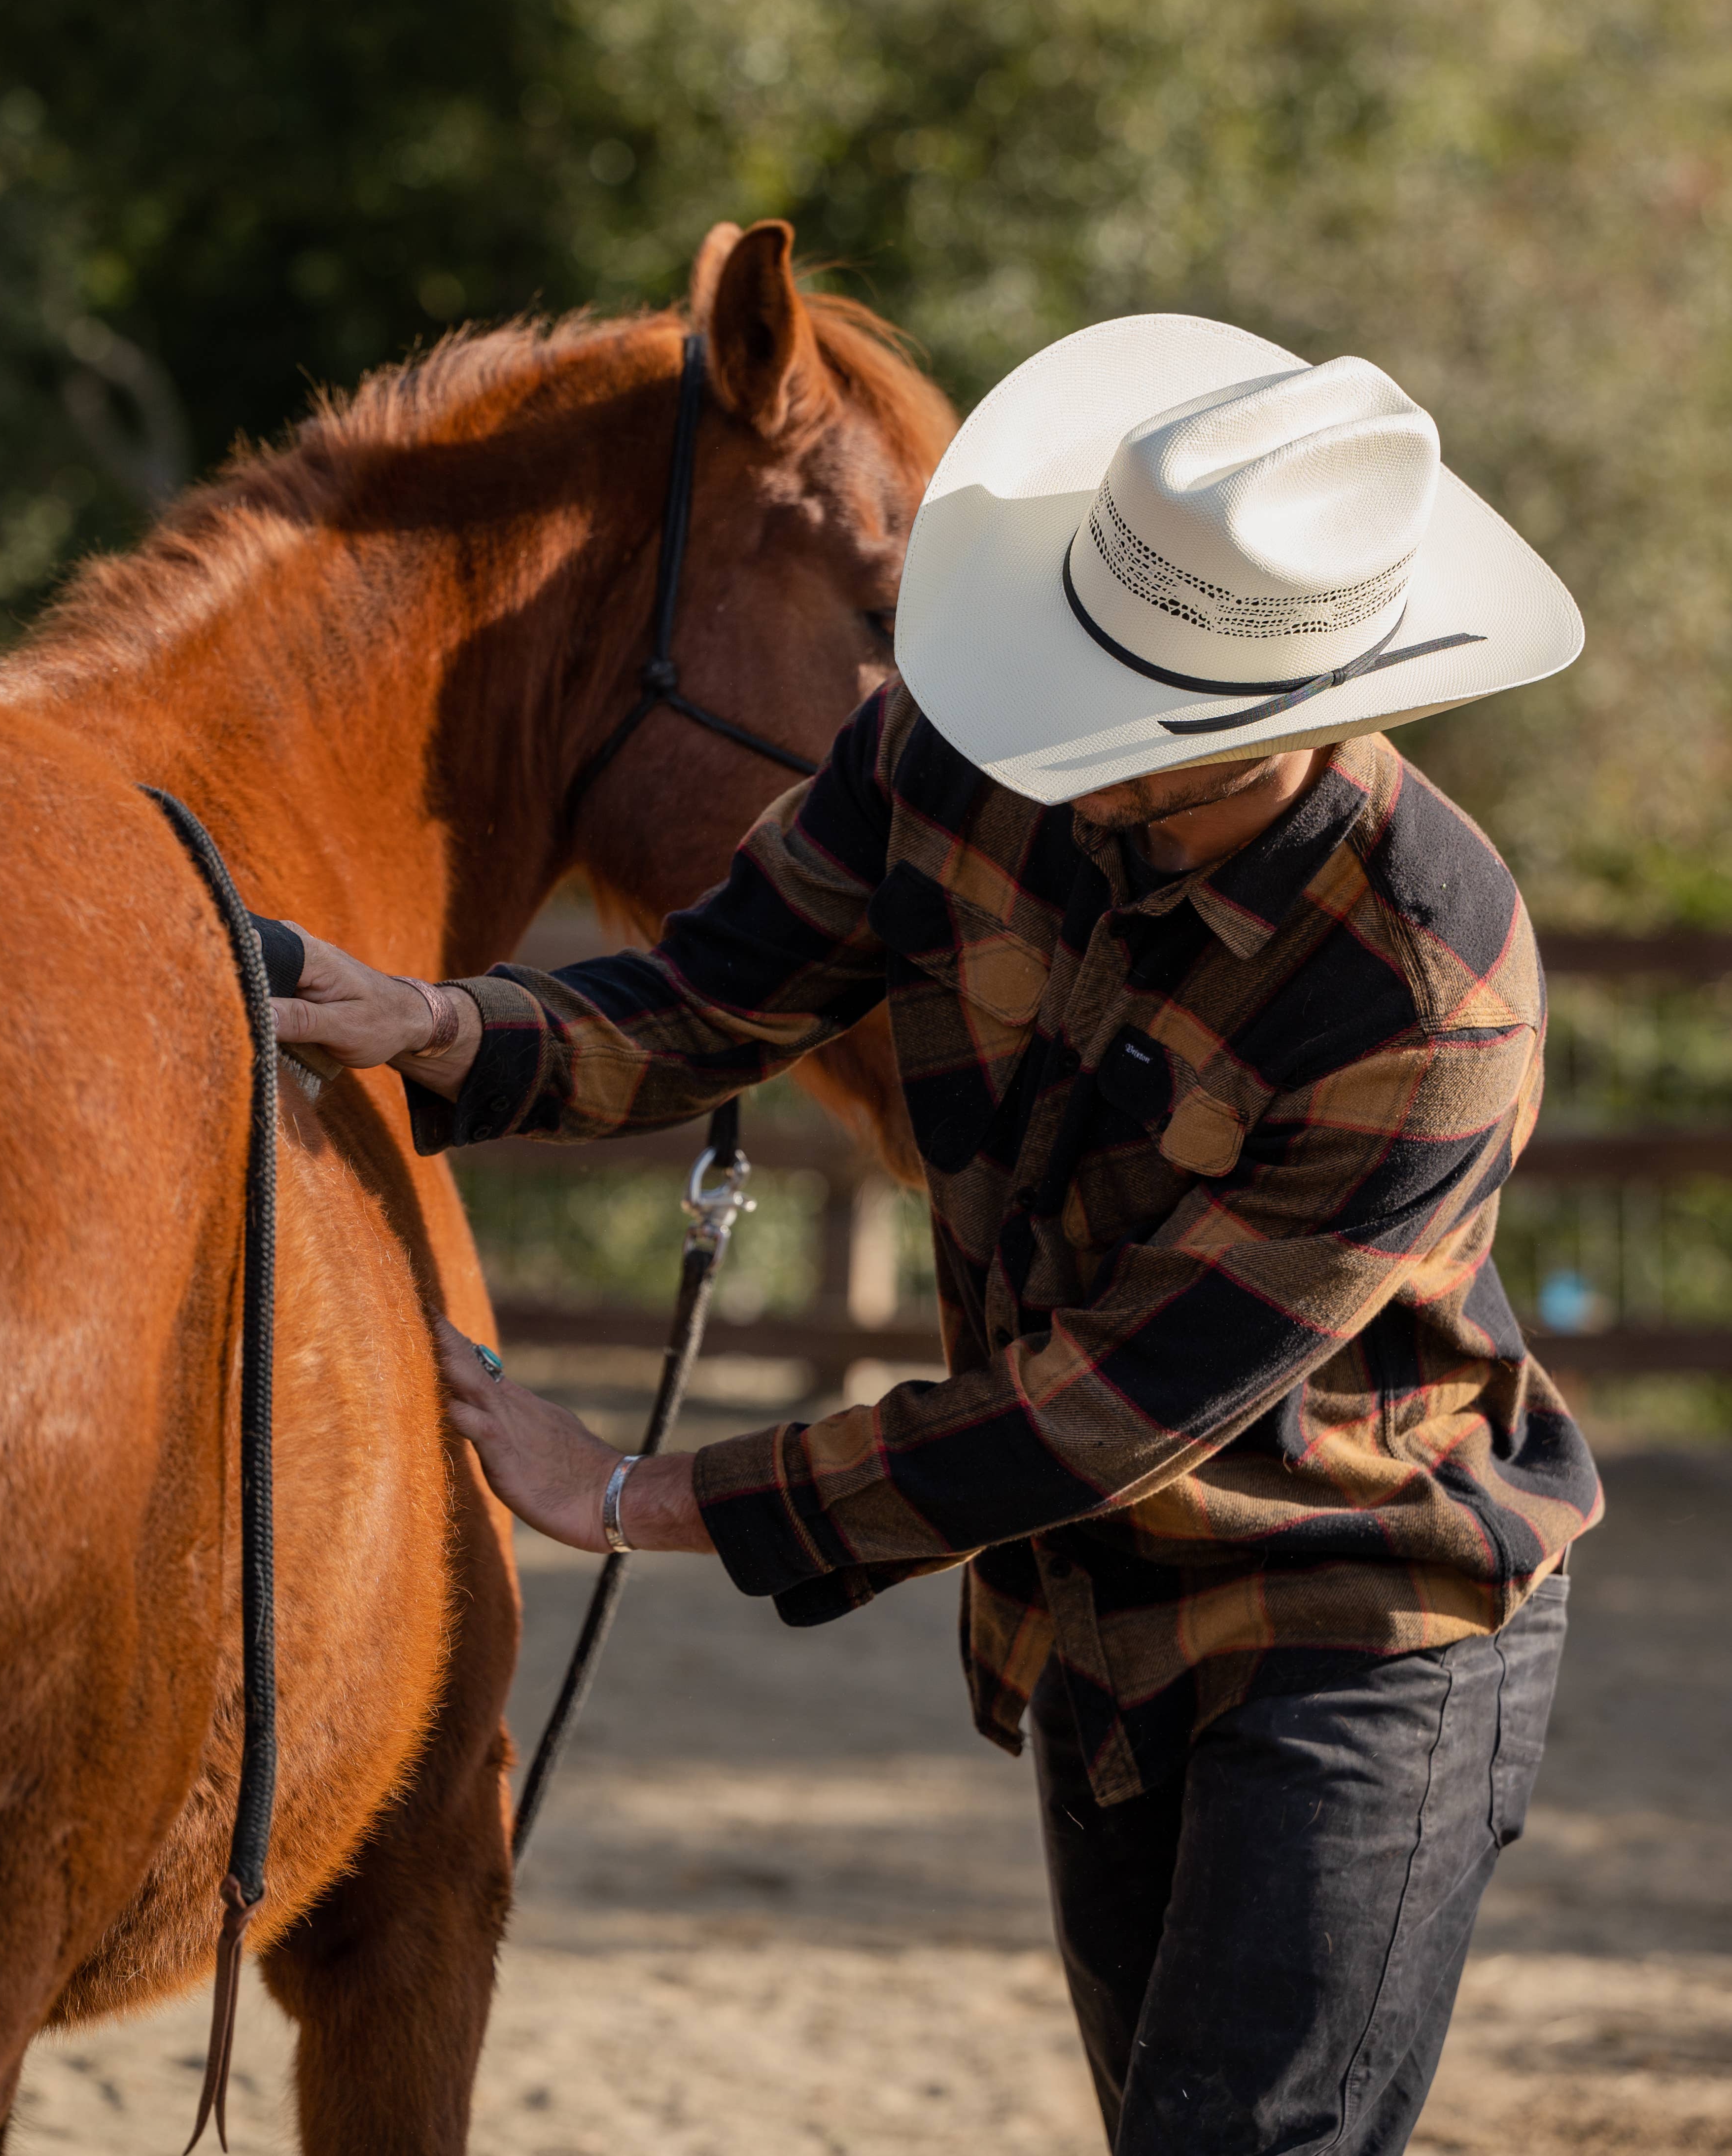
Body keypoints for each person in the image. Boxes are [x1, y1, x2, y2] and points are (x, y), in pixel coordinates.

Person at [276, 313, 1599, 2156]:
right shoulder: (958, 741)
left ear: (1294, 714)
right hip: (1095, 1614)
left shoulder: (1427, 992)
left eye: (1133, 720)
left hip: (1357, 1616)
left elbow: (1103, 1410)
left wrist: (647, 1496)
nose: (1064, 739)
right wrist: (436, 1026)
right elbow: (713, 994)